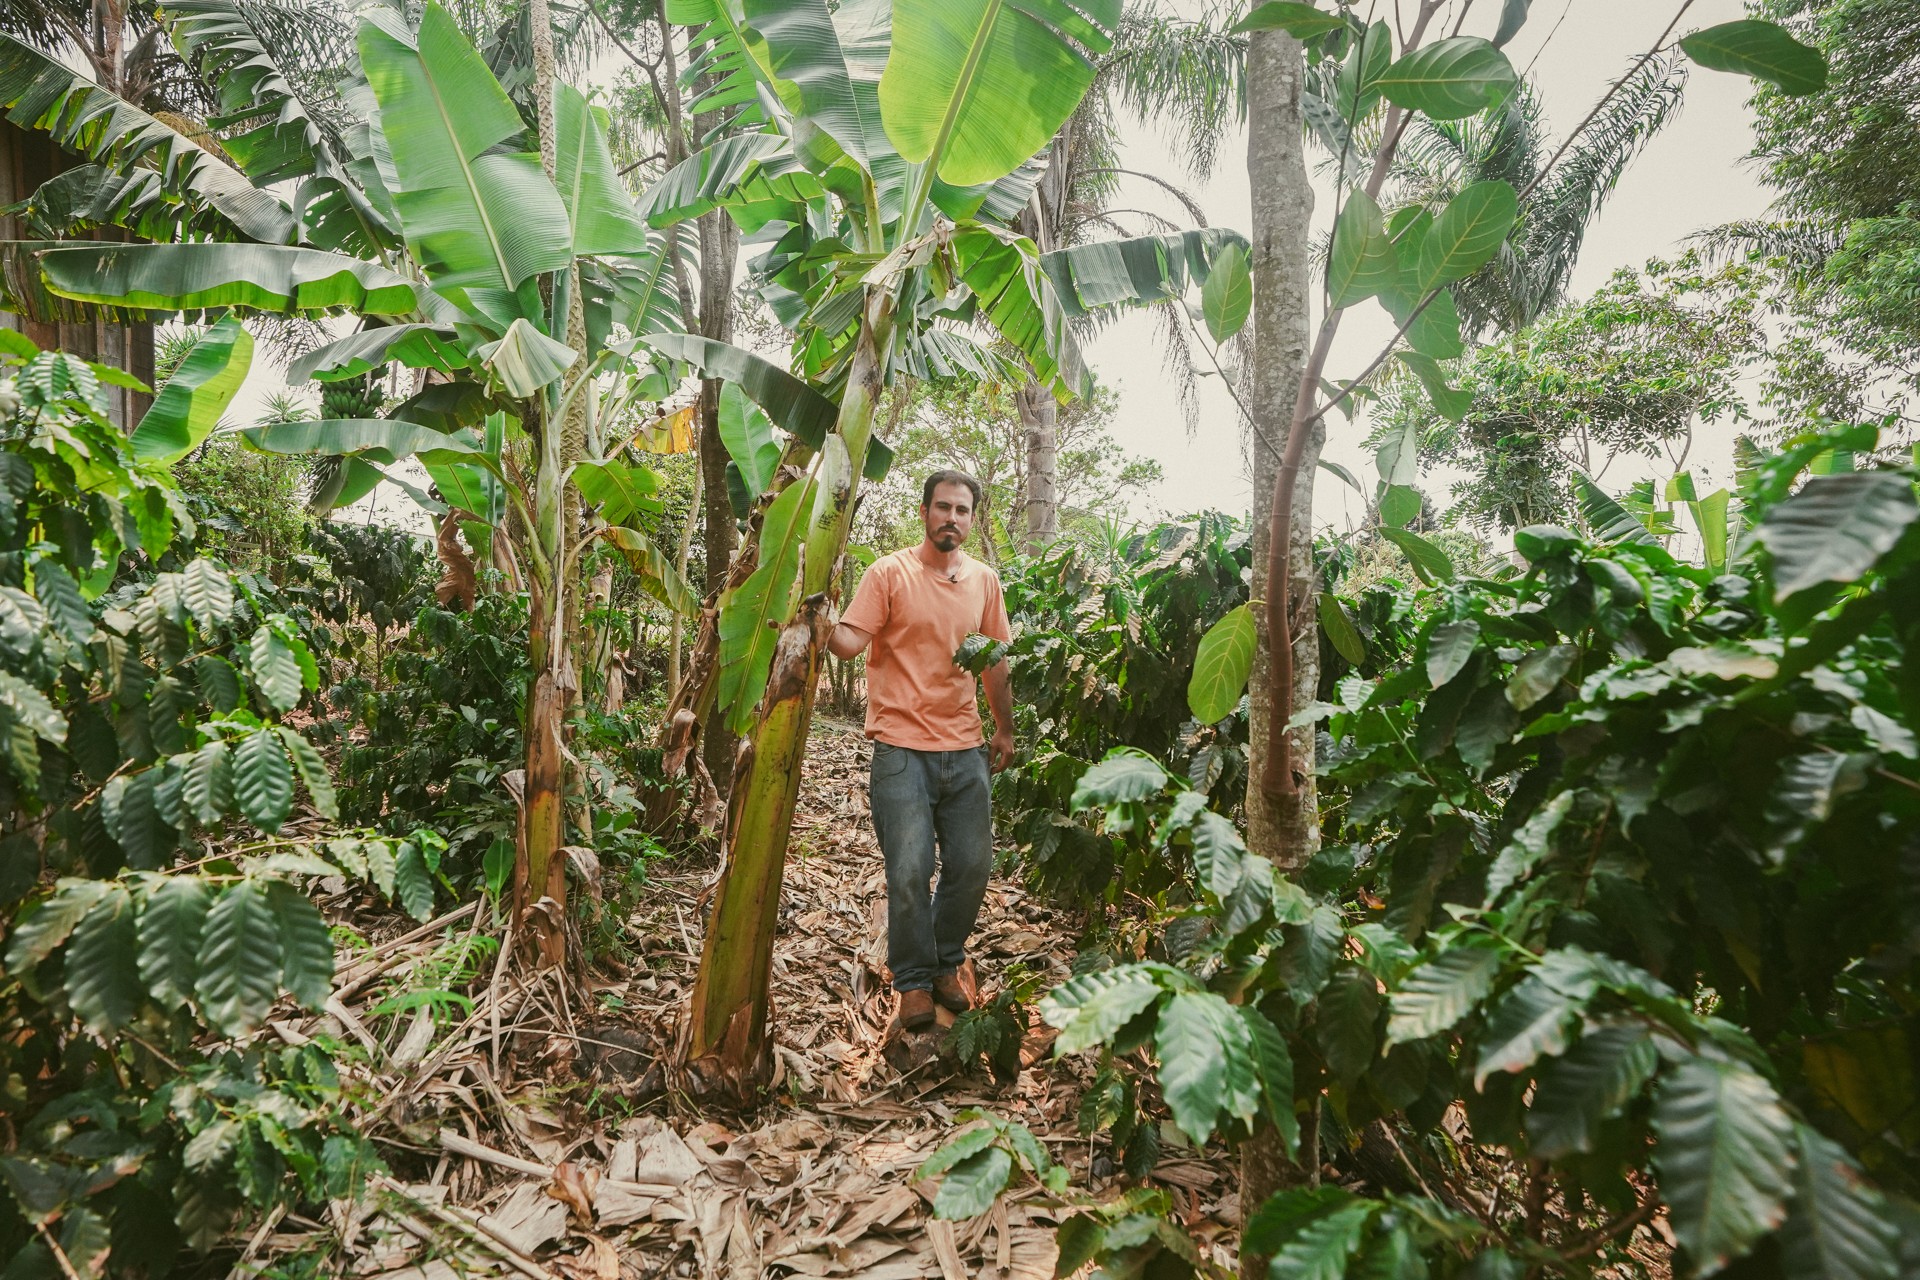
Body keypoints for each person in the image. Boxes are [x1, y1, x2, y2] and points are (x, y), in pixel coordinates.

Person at [828, 469, 1015, 1030]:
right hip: (901, 748)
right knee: (909, 869)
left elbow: (995, 661)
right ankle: (912, 980)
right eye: (942, 507)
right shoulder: (890, 573)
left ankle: (943, 960)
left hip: (965, 749)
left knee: (972, 865)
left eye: (962, 510)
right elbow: (846, 643)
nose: (951, 518)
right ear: (924, 512)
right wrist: (811, 606)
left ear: (972, 518)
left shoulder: (984, 580)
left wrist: (1003, 729)